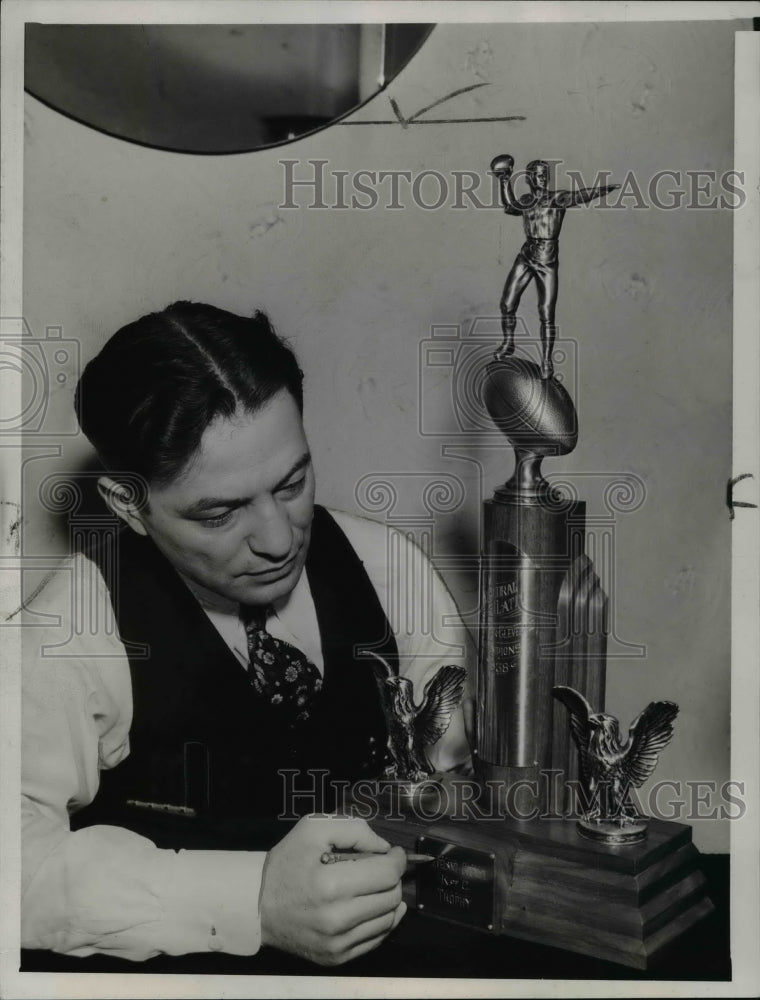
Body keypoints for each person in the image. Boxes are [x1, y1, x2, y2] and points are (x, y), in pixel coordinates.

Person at [21, 301, 472, 968]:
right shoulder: (68, 632)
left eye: (292, 484)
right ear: (129, 505)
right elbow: (13, 870)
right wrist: (252, 901)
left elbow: (455, 783)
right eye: (221, 512)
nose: (279, 538)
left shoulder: (388, 569)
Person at [490, 154, 620, 378]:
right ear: (529, 179)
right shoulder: (526, 201)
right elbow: (509, 207)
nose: (542, 178)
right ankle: (508, 342)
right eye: (538, 175)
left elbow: (579, 196)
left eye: (545, 175)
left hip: (547, 261)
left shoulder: (557, 199)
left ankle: (547, 361)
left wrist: (603, 189)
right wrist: (504, 179)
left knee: (546, 312)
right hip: (526, 255)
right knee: (507, 303)